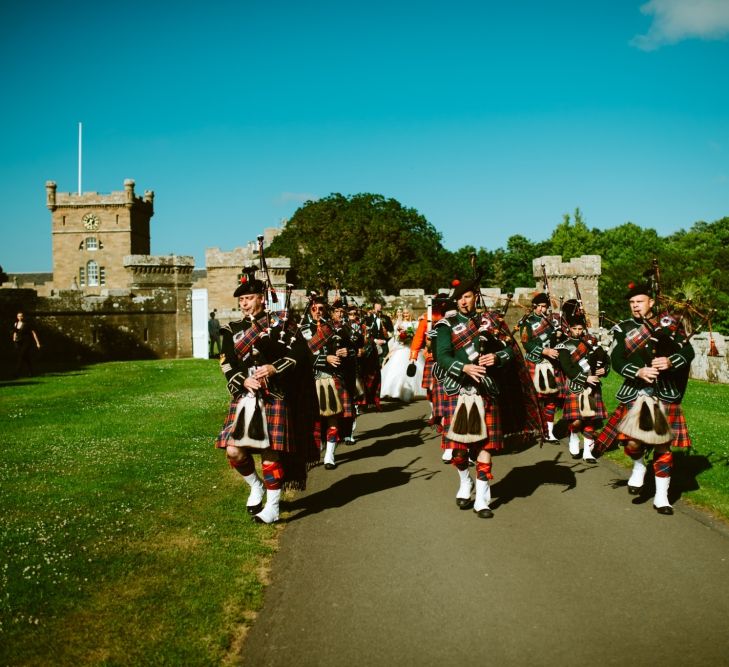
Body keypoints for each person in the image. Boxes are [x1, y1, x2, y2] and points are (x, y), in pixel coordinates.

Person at [215, 273, 312, 524]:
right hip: (245, 394)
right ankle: (256, 486)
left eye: (249, 298)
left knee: (271, 453)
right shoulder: (231, 330)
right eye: (241, 300)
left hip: (274, 394)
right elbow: (227, 364)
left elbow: (301, 353)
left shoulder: (280, 324)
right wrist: (242, 380)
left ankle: (272, 507)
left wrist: (273, 368)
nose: (244, 303)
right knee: (234, 450)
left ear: (262, 298)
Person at [595, 281, 694, 515]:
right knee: (632, 442)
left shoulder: (669, 323)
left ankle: (662, 497)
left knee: (662, 445)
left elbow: (688, 351)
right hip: (637, 392)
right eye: (631, 302)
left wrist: (671, 362)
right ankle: (639, 466)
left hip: (665, 391)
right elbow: (617, 359)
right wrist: (638, 371)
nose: (635, 306)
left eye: (639, 301)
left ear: (651, 302)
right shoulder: (624, 328)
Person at [435, 282, 518, 519]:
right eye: (459, 298)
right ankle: (465, 481)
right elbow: (442, 356)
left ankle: (482, 500)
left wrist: (496, 357)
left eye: (467, 296)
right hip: (458, 390)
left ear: (475, 298)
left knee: (485, 446)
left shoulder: (490, 323)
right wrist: (465, 367)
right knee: (459, 452)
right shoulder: (446, 325)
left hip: (486, 390)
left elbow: (510, 350)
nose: (463, 301)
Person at [300, 296, 355, 469]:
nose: (318, 312)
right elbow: (303, 356)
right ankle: (314, 452)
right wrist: (326, 358)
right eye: (314, 308)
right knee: (312, 420)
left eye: (321, 309)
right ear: (310, 310)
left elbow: (353, 347)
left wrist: (347, 351)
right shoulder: (302, 329)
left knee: (333, 417)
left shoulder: (336, 328)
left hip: (332, 377)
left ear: (326, 310)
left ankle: (330, 455)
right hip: (311, 379)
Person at [555, 309, 609, 463]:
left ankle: (587, 452)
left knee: (589, 419)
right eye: (575, 329)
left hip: (593, 386)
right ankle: (572, 435)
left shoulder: (591, 343)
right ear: (569, 329)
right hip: (576, 384)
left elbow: (605, 360)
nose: (578, 332)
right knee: (577, 421)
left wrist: (604, 369)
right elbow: (568, 368)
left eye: (580, 329)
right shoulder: (563, 346)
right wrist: (586, 377)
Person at [519, 293, 565, 442]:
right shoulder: (527, 322)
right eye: (538, 306)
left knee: (551, 398)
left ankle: (550, 432)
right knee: (535, 399)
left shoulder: (553, 321)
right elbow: (526, 343)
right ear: (534, 306)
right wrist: (544, 351)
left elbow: (562, 338)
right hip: (535, 361)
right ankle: (534, 429)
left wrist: (559, 334)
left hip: (551, 363)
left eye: (544, 306)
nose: (541, 309)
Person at [380, 309, 426, 402]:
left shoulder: (415, 324)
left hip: (411, 349)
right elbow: (397, 339)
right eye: (404, 313)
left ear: (410, 313)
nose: (405, 314)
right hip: (401, 349)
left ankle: (410, 392)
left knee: (411, 371)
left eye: (407, 313)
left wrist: (411, 336)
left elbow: (419, 336)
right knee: (396, 370)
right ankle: (395, 392)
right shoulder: (398, 324)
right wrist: (394, 348)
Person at [12, 311, 41, 377]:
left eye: (21, 316)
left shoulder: (27, 324)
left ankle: (17, 372)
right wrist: (14, 339)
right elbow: (15, 332)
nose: (20, 317)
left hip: (26, 342)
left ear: (23, 316)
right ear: (17, 317)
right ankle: (31, 371)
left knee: (21, 356)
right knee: (26, 357)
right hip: (19, 342)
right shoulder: (15, 324)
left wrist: (37, 343)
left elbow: (33, 333)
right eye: (19, 316)